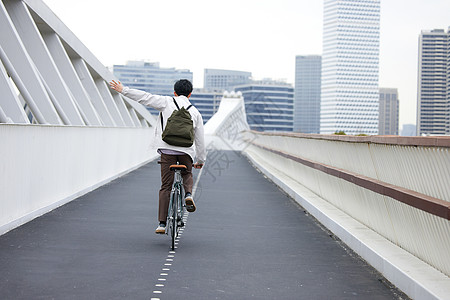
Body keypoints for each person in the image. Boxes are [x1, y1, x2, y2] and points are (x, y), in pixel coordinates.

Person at [109, 79, 206, 234]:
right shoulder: (195, 112)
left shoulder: (166, 102)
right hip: (186, 151)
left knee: (166, 186)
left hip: (166, 150)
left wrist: (123, 90)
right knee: (187, 173)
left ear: (174, 92)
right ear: (190, 94)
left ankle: (161, 224)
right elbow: (200, 140)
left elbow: (144, 97)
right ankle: (188, 194)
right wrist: (200, 160)